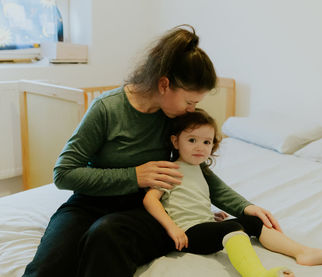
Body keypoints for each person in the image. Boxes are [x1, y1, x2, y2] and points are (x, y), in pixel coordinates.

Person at [22, 25, 265, 277]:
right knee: (47, 267)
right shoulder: (106, 109)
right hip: (90, 202)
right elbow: (63, 174)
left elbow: (196, 171)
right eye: (189, 101)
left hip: (143, 207)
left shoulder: (174, 118)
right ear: (163, 84)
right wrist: (134, 176)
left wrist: (245, 207)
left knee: (106, 235)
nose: (191, 110)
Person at [143, 109, 322, 277]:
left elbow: (188, 200)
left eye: (206, 142)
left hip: (203, 225)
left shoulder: (200, 170)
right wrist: (172, 228)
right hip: (188, 234)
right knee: (232, 228)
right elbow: (150, 199)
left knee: (253, 220)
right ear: (175, 141)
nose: (200, 147)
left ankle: (302, 252)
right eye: (192, 140)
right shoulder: (170, 169)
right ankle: (257, 274)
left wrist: (210, 216)